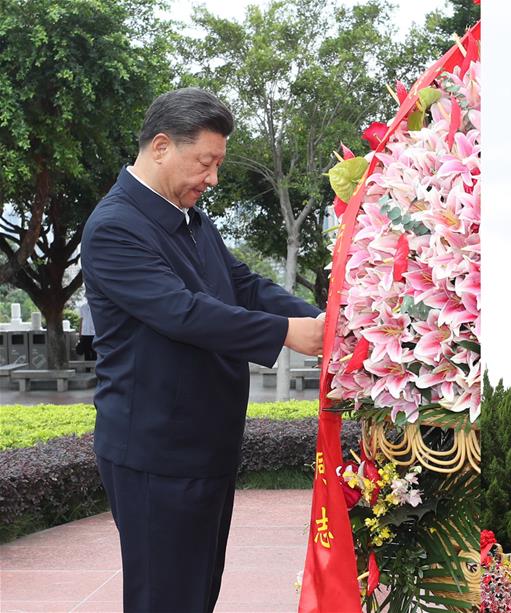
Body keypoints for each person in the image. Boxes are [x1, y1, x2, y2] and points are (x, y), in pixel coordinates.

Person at [81, 87, 324, 612]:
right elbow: (182, 312)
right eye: (206, 162)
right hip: (156, 451)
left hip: (204, 442)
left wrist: (319, 318)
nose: (212, 179)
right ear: (163, 146)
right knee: (163, 599)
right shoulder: (115, 227)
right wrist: (285, 333)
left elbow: (240, 282)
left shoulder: (188, 217)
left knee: (195, 593)